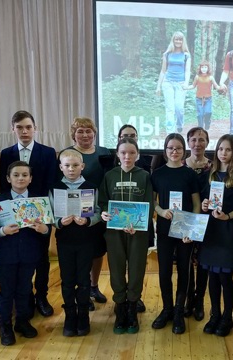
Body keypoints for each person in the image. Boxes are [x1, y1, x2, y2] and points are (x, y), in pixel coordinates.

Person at [0, 110, 58, 318]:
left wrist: (45, 214)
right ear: (13, 129)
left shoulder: (48, 152)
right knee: (19, 255)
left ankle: (41, 296)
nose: (24, 131)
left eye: (28, 127)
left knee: (41, 258)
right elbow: (4, 184)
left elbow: (51, 184)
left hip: (39, 213)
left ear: (35, 128)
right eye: (19, 127)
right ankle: (24, 300)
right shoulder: (6, 153)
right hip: (14, 214)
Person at [0, 161, 49, 346]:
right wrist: (1, 231)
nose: (20, 178)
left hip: (30, 254)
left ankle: (22, 321)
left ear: (30, 179)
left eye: (24, 175)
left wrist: (44, 229)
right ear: (8, 178)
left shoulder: (40, 201)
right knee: (6, 292)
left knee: (24, 289)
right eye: (16, 175)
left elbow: (49, 226)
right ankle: (4, 325)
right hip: (7, 255)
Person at [100, 137, 154, 334]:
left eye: (131, 153)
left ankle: (132, 309)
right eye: (123, 152)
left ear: (137, 155)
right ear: (117, 154)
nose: (127, 156)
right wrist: (105, 212)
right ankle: (120, 308)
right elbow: (103, 201)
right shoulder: (110, 176)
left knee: (137, 269)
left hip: (137, 232)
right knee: (116, 269)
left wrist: (140, 224)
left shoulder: (145, 176)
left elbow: (149, 204)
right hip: (114, 232)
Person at [151, 133, 201, 334]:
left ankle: (179, 311)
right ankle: (167, 309)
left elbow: (197, 204)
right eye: (171, 148)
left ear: (184, 151)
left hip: (184, 231)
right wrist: (161, 211)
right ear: (165, 151)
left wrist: (191, 229)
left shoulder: (190, 175)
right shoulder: (157, 174)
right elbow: (152, 201)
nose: (174, 151)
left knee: (184, 270)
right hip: (164, 229)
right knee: (164, 271)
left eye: (178, 148)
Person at [59, 117, 111, 312]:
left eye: (89, 131)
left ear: (94, 133)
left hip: (97, 211)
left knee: (97, 251)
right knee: (80, 254)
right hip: (72, 213)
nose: (85, 135)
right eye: (80, 131)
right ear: (74, 134)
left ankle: (93, 287)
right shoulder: (67, 154)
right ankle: (81, 290)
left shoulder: (104, 152)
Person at [200, 134, 233, 337]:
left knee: (225, 277)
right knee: (212, 276)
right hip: (211, 231)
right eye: (220, 149)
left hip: (228, 231)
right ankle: (214, 315)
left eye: (228, 149)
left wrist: (228, 216)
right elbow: (204, 201)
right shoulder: (208, 175)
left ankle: (227, 317)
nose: (223, 153)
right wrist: (204, 205)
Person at [51, 150, 102, 337]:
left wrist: (88, 221)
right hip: (65, 241)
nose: (71, 169)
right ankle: (69, 316)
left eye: (75, 165)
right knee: (67, 280)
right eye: (67, 166)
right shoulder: (55, 188)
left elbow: (97, 211)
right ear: (61, 167)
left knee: (83, 280)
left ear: (82, 166)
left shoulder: (91, 187)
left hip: (86, 240)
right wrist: (58, 222)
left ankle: (83, 316)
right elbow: (50, 213)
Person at [182, 127, 211, 322]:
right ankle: (188, 299)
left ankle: (199, 299)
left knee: (202, 261)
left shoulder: (214, 166)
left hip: (208, 220)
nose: (197, 143)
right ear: (188, 142)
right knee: (185, 259)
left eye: (201, 140)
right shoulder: (181, 164)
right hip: (187, 217)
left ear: (207, 142)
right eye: (193, 140)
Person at [156, 31, 191, 133]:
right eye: (176, 39)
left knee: (179, 108)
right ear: (173, 40)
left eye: (180, 39)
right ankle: (170, 133)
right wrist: (158, 86)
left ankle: (180, 124)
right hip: (168, 83)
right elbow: (163, 71)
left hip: (180, 83)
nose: (178, 41)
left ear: (182, 41)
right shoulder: (167, 54)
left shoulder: (186, 55)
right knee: (170, 109)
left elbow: (187, 70)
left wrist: (186, 83)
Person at [184, 60, 220, 130]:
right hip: (199, 98)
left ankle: (207, 122)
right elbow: (193, 86)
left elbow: (216, 86)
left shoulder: (210, 77)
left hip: (208, 98)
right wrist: (186, 87)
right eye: (202, 67)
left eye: (205, 67)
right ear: (200, 68)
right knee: (200, 114)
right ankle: (200, 128)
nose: (204, 69)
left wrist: (221, 88)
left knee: (208, 112)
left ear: (208, 68)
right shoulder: (197, 77)